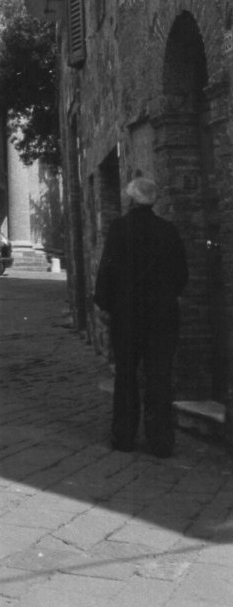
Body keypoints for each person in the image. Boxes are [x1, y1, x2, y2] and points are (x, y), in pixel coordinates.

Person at [93, 176, 188, 457]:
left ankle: (124, 436)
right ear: (153, 201)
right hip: (162, 316)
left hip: (127, 316)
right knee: (160, 375)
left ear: (132, 200)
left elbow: (107, 270)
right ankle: (161, 442)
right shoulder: (168, 231)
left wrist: (105, 305)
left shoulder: (120, 229)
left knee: (126, 375)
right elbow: (182, 275)